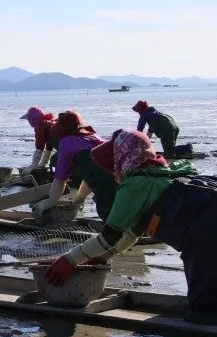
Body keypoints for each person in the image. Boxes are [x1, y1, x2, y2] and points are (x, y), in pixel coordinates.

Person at [44, 129, 217, 325]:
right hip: (208, 222)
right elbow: (131, 234)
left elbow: (109, 237)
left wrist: (69, 260)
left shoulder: (135, 185)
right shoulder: (164, 174)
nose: (113, 170)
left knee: (203, 312)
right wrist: (103, 256)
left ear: (124, 157)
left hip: (206, 234)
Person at [31, 110, 117, 221]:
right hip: (118, 176)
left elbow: (60, 180)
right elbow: (90, 174)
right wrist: (79, 200)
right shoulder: (93, 136)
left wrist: (50, 201)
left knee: (110, 217)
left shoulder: (67, 143)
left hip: (104, 182)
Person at [19, 107, 58, 175]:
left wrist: (33, 165)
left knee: (54, 160)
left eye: (30, 118)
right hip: (73, 146)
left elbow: (39, 148)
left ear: (34, 119)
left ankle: (60, 178)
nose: (29, 121)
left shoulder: (40, 126)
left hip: (67, 149)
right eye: (28, 119)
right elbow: (49, 148)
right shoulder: (49, 122)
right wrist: (43, 164)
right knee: (55, 160)